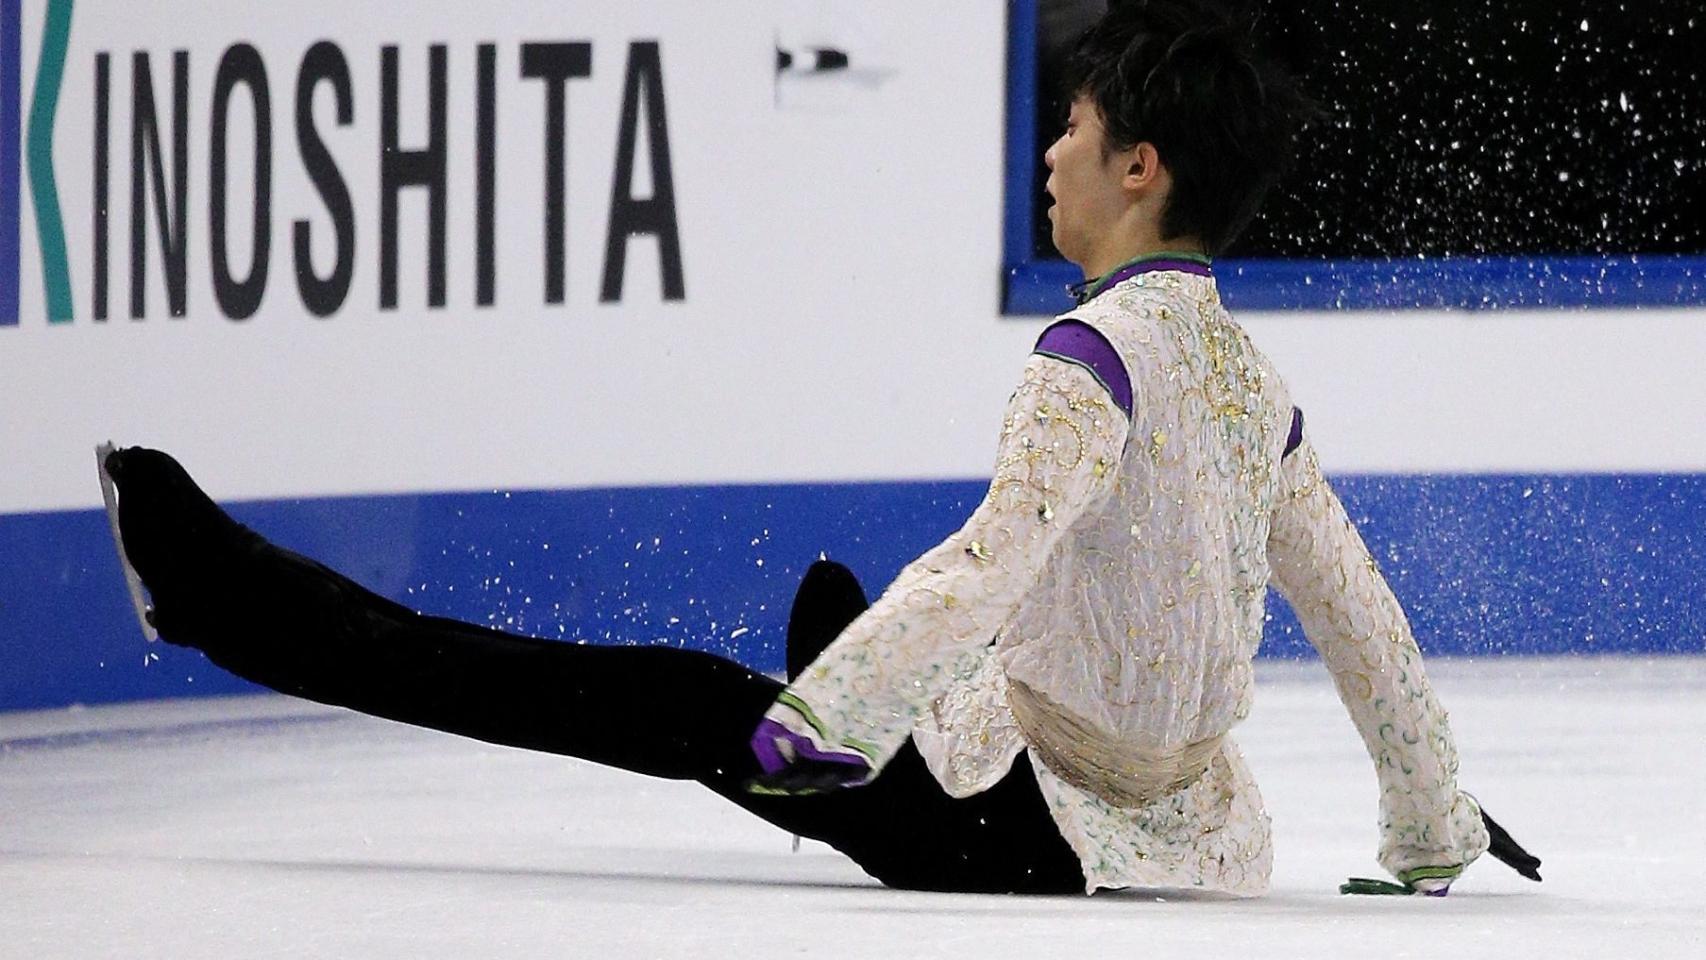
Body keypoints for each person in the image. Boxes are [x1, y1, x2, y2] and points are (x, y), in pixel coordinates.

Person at [103, 0, 1537, 897]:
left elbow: (990, 560)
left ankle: (217, 600)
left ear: (1137, 169)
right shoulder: (1251, 385)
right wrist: (1429, 826)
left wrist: (825, 724)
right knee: (866, 637)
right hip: (1188, 829)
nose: (1049, 154)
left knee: (663, 703)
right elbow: (1362, 621)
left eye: (1076, 128)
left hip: (1013, 830)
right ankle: (851, 670)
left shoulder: (1087, 359)